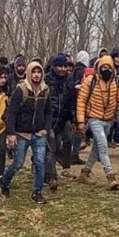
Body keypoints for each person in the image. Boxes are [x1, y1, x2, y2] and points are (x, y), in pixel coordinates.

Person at [0, 61, 52, 204]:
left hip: (39, 133)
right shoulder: (20, 90)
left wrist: (46, 128)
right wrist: (11, 133)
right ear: (28, 73)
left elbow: (48, 112)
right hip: (21, 133)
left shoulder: (45, 90)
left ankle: (37, 191)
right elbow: (12, 113)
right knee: (18, 163)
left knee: (40, 162)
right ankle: (4, 182)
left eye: (39, 72)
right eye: (33, 72)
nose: (36, 75)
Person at [75, 54, 119, 190]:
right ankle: (110, 177)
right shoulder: (90, 81)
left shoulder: (118, 82)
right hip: (94, 118)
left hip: (109, 120)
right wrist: (80, 121)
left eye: (108, 67)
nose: (106, 70)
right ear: (98, 67)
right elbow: (81, 101)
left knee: (97, 149)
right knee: (103, 145)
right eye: (103, 67)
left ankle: (85, 172)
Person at [44, 54, 76, 188]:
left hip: (63, 118)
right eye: (60, 66)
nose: (63, 69)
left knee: (58, 147)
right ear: (54, 67)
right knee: (51, 148)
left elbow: (73, 102)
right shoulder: (46, 80)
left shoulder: (69, 81)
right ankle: (52, 177)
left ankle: (52, 170)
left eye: (65, 66)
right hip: (49, 119)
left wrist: (74, 119)